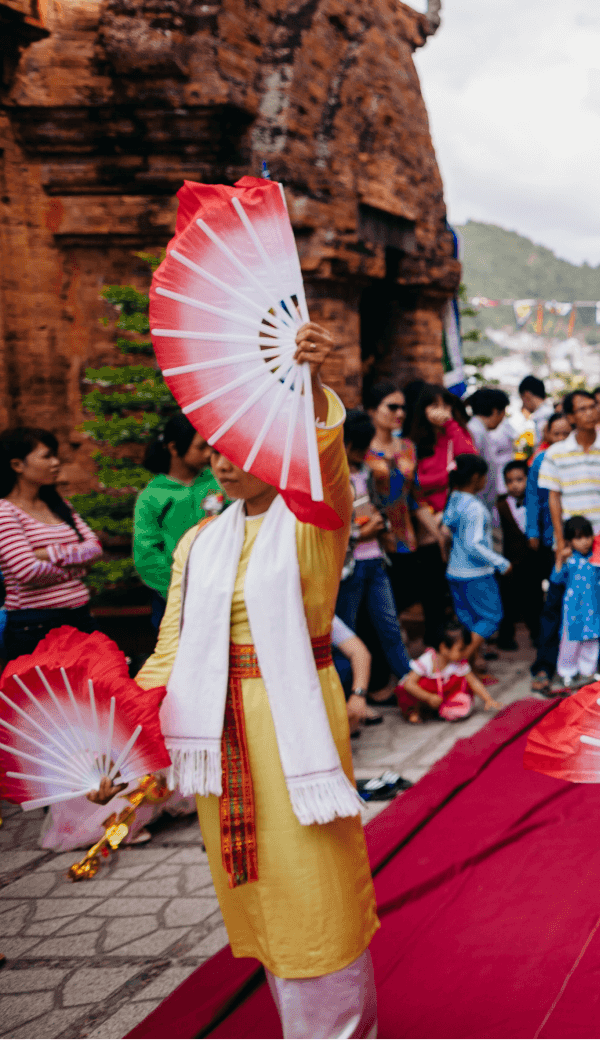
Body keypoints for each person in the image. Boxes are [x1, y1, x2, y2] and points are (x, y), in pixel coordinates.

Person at [134, 320, 377, 1038]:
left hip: (293, 718)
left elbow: (329, 471)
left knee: (316, 882)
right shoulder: (199, 541)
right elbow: (169, 648)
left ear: (273, 448)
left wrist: (308, 386)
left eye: (237, 446)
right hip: (215, 728)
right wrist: (124, 740)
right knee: (257, 886)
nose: (221, 460)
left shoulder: (313, 523)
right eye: (212, 447)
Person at [0, 428, 102, 660]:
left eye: (55, 455)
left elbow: (95, 548)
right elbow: (27, 571)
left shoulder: (59, 505)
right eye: (47, 456)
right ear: (17, 465)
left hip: (80, 616)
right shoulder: (5, 512)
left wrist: (48, 553)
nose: (56, 463)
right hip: (35, 625)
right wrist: (78, 569)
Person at [334, 410, 411, 696]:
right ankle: (348, 700)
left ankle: (411, 684)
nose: (363, 452)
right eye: (359, 446)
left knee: (390, 627)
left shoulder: (365, 472)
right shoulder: (331, 477)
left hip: (375, 559)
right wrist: (358, 534)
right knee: (346, 634)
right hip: (348, 566)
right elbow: (328, 528)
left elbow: (381, 507)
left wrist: (380, 525)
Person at [364, 382, 433, 662]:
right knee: (380, 612)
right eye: (392, 406)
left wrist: (435, 532)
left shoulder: (407, 447)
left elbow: (415, 497)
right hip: (374, 539)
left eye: (403, 407)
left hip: (407, 538)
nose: (400, 412)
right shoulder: (362, 450)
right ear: (372, 410)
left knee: (408, 603)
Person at [134, 411, 221, 633]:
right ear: (174, 448)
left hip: (220, 587)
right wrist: (175, 590)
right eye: (200, 447)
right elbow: (146, 552)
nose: (209, 452)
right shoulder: (152, 496)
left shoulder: (220, 482)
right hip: (172, 598)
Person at [405, 384, 475, 648]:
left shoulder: (453, 435)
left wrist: (451, 427)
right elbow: (411, 485)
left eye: (446, 405)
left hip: (455, 522)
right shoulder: (411, 445)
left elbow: (470, 463)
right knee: (433, 593)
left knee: (461, 592)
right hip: (425, 525)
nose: (442, 411)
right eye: (434, 405)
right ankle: (436, 649)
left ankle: (465, 652)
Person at [541, 390, 600, 562]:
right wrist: (561, 541)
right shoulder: (554, 454)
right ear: (570, 417)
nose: (590, 413)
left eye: (592, 407)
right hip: (573, 541)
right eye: (582, 409)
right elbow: (554, 498)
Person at [523, 412, 573, 695]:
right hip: (550, 542)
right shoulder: (541, 461)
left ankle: (579, 664)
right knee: (551, 605)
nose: (562, 440)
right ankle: (544, 664)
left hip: (578, 544)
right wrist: (533, 531)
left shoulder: (577, 460)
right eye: (557, 434)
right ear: (547, 436)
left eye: (567, 434)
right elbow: (532, 496)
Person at [442, 454, 510, 655]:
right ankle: (462, 660)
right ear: (475, 477)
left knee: (469, 620)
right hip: (476, 574)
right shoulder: (475, 507)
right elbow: (474, 545)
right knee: (491, 617)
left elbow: (447, 528)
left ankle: (471, 666)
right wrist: (501, 563)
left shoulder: (453, 499)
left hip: (455, 571)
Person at [548, 515, 600, 693]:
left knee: (591, 639)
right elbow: (556, 579)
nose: (584, 542)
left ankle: (588, 670)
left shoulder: (596, 559)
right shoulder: (569, 561)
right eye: (578, 538)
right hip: (573, 609)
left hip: (593, 608)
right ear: (570, 541)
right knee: (570, 641)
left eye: (587, 536)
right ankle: (567, 671)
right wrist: (560, 559)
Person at [398, 630, 497, 722]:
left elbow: (473, 681)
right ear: (444, 648)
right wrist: (429, 697)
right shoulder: (427, 660)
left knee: (461, 685)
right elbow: (409, 684)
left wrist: (488, 699)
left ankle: (442, 710)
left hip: (444, 695)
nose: (465, 653)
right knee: (409, 690)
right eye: (461, 649)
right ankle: (414, 712)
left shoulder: (459, 662)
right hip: (424, 695)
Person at [497, 458, 540, 653]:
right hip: (509, 562)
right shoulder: (500, 506)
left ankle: (537, 634)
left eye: (519, 479)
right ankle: (506, 637)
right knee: (508, 601)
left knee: (534, 599)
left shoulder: (536, 501)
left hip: (532, 561)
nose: (514, 485)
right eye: (509, 481)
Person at [463, 387, 517, 517]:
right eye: (503, 412)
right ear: (495, 411)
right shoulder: (476, 432)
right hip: (478, 506)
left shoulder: (480, 431)